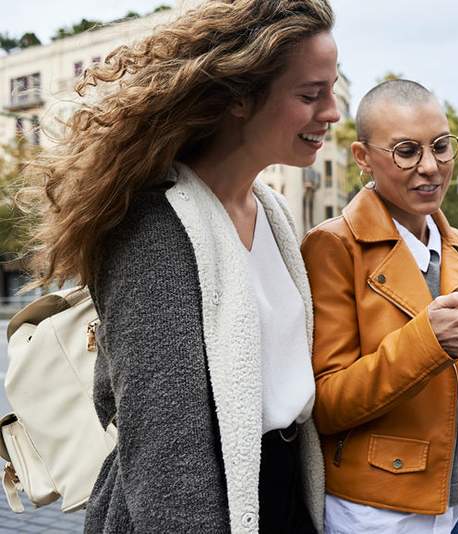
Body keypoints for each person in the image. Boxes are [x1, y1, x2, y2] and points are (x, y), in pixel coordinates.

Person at [22, 1, 339, 532]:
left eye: (330, 90)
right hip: (203, 505)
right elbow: (165, 453)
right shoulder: (155, 229)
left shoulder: (273, 211)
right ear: (240, 97)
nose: (331, 111)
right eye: (310, 95)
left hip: (279, 493)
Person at [301, 80, 458, 534]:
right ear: (363, 158)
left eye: (441, 147)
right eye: (406, 151)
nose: (431, 167)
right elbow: (325, 404)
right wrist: (430, 340)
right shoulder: (333, 246)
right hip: (377, 514)